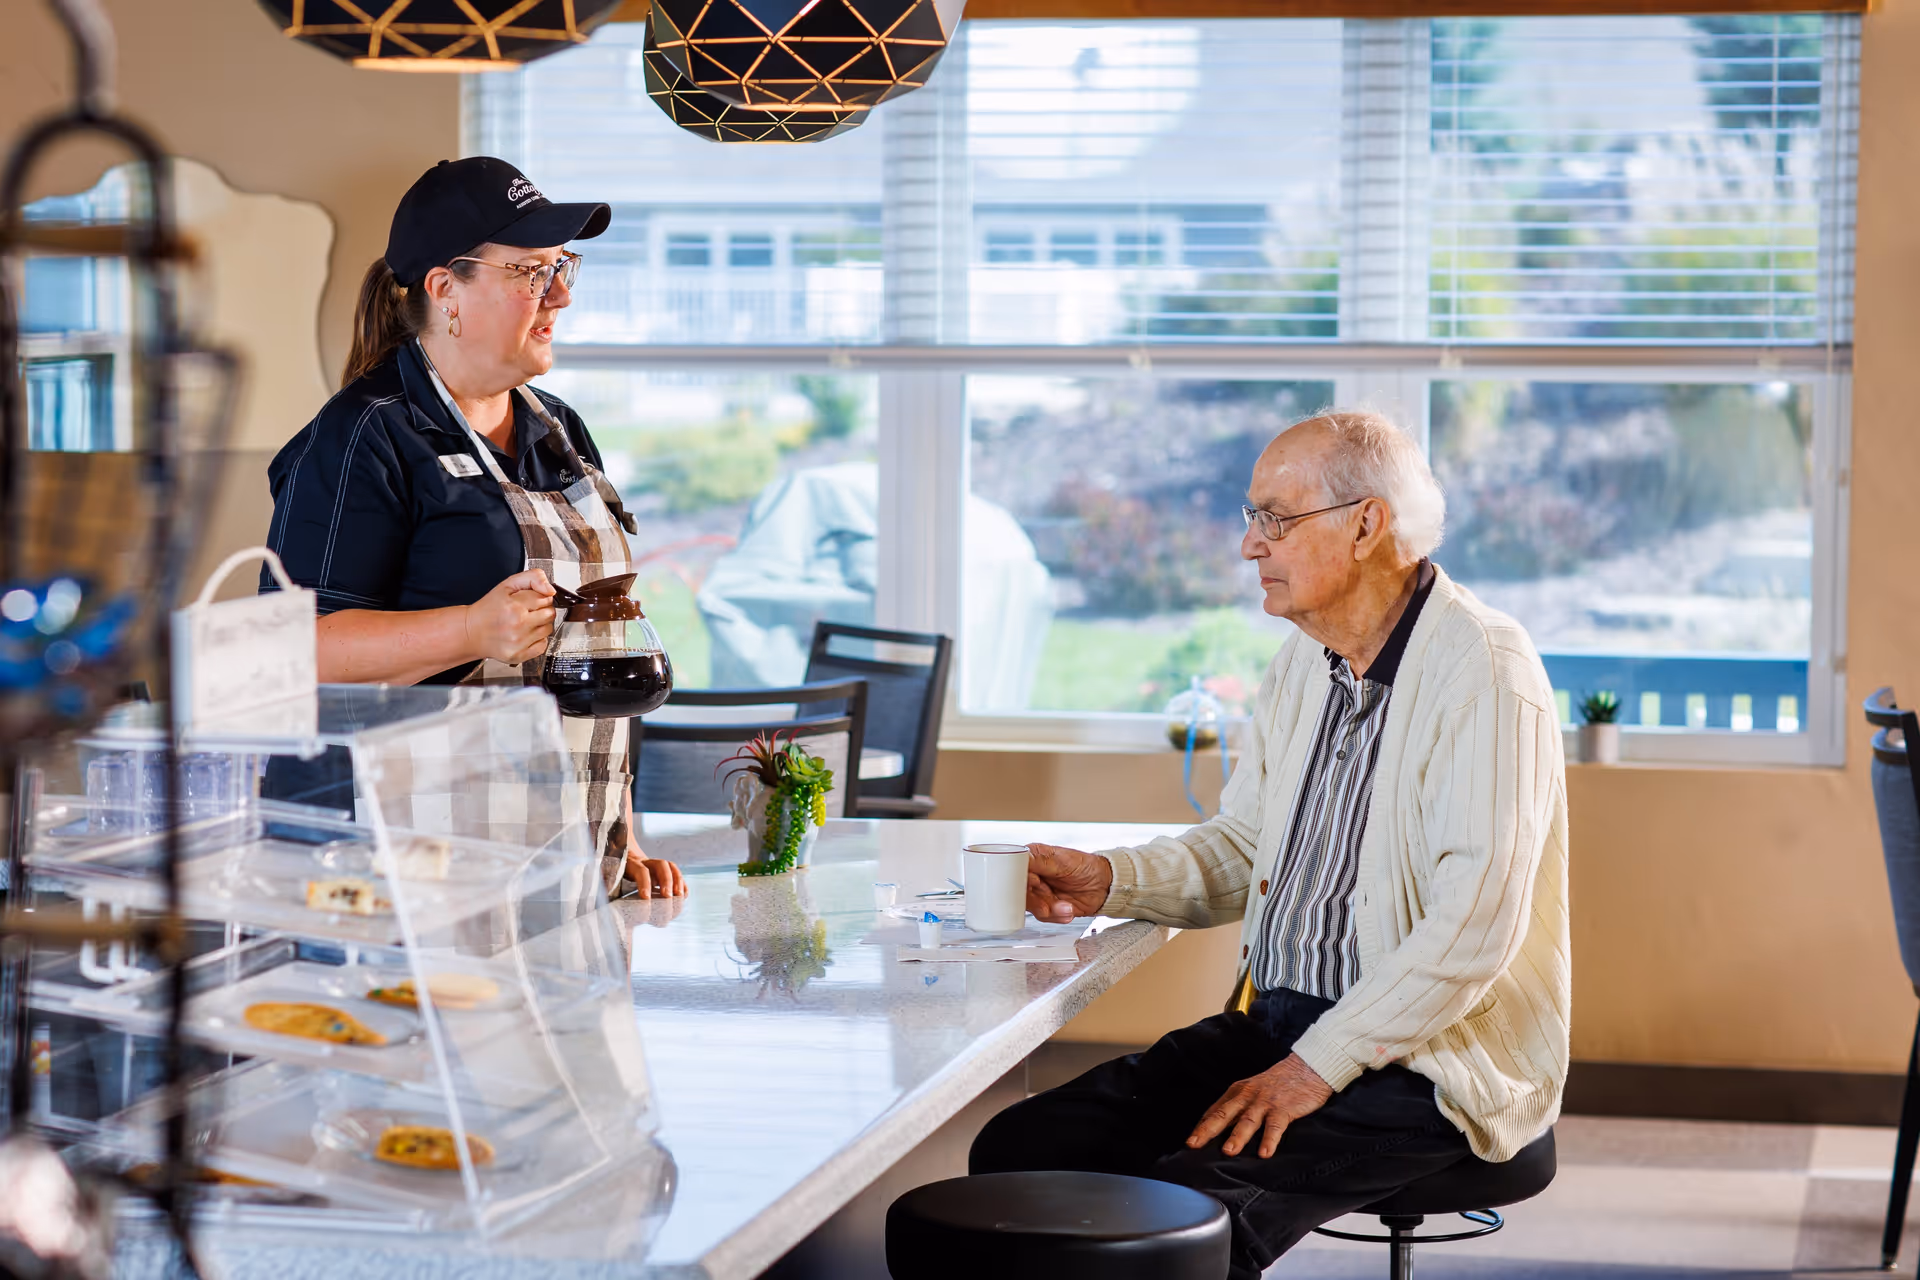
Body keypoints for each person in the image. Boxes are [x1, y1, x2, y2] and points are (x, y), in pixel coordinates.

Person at [972, 411, 1570, 1280]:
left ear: (1367, 525)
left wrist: (1311, 1070)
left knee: (1183, 1217)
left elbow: (1473, 926)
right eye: (1251, 519)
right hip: (1282, 1019)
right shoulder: (1306, 663)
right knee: (1025, 1148)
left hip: (1432, 1061)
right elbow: (1248, 849)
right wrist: (1107, 880)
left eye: (1274, 519)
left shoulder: (1485, 666)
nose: (1251, 546)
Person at [261, 156, 685, 902]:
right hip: (411, 867)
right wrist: (466, 630)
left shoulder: (561, 429)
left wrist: (623, 832)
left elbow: (588, 653)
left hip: (566, 858)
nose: (557, 296)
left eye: (561, 269)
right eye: (529, 273)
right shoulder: (367, 434)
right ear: (445, 289)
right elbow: (291, 654)